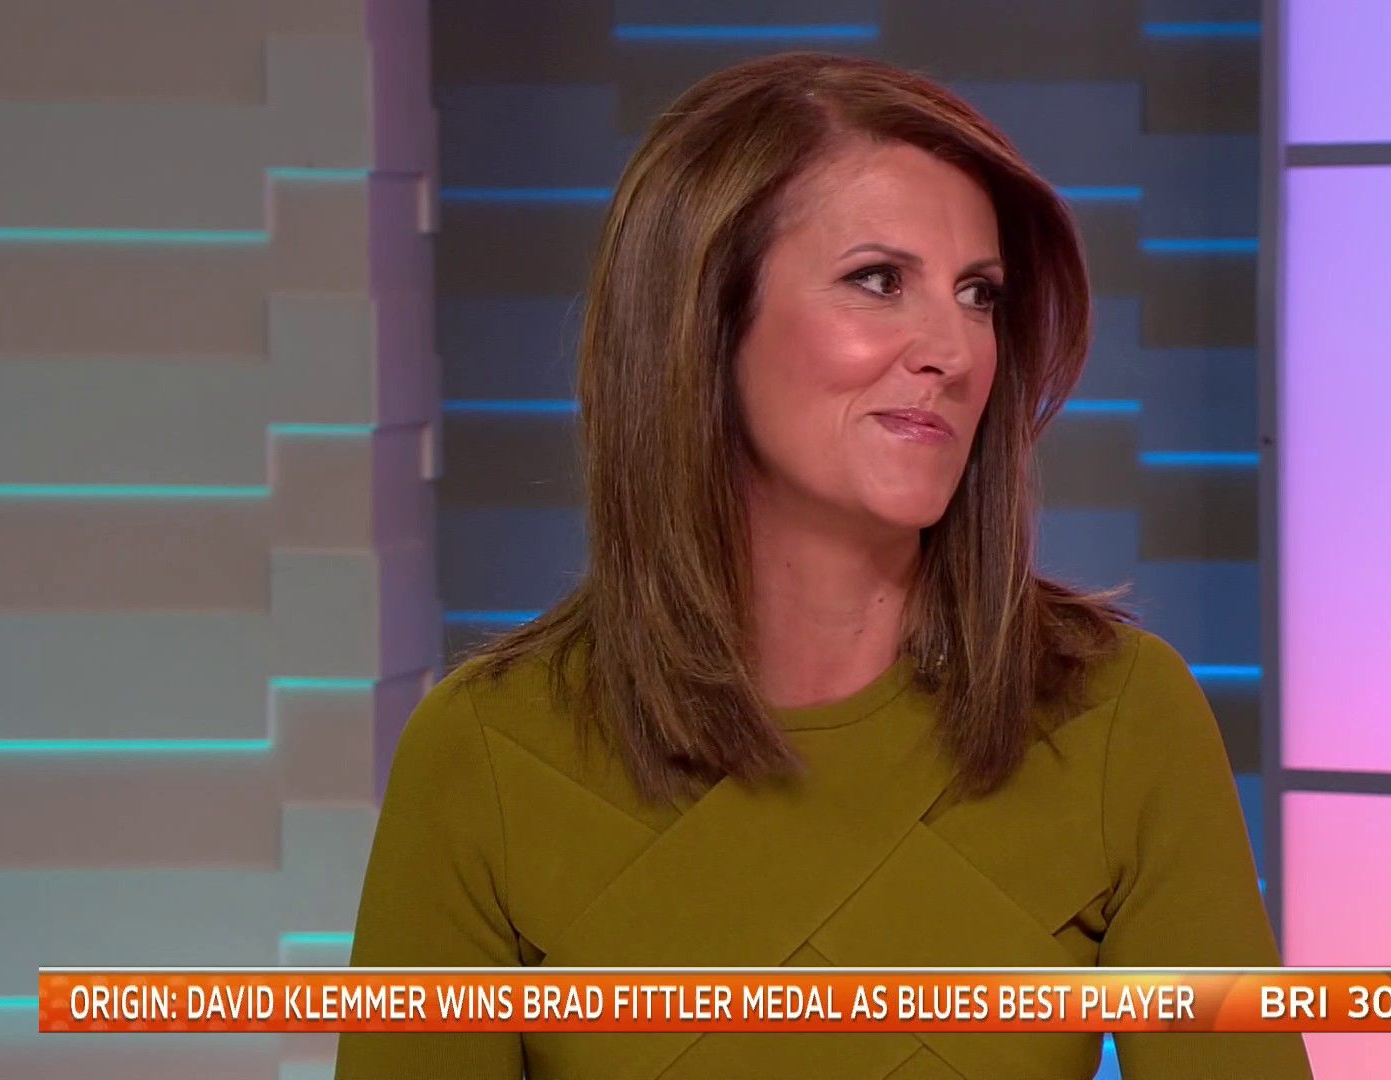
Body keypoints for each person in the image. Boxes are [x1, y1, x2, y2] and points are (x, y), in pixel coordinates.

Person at [336, 51, 1311, 1080]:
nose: (954, 350)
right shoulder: (486, 756)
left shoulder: (1117, 718)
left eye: (978, 294)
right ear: (705, 323)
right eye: (878, 281)